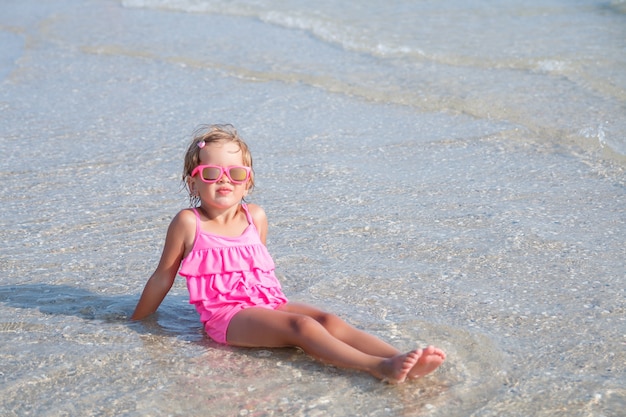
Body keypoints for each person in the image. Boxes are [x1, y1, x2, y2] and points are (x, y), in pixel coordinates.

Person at [131, 124, 446, 383]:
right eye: (212, 173)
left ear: (248, 182)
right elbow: (163, 277)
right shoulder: (189, 222)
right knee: (303, 327)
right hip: (226, 318)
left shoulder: (256, 216)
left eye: (236, 173)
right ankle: (378, 367)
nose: (225, 180)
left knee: (326, 319)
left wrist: (273, 312)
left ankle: (397, 357)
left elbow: (258, 275)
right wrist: (136, 322)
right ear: (194, 181)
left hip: (268, 304)